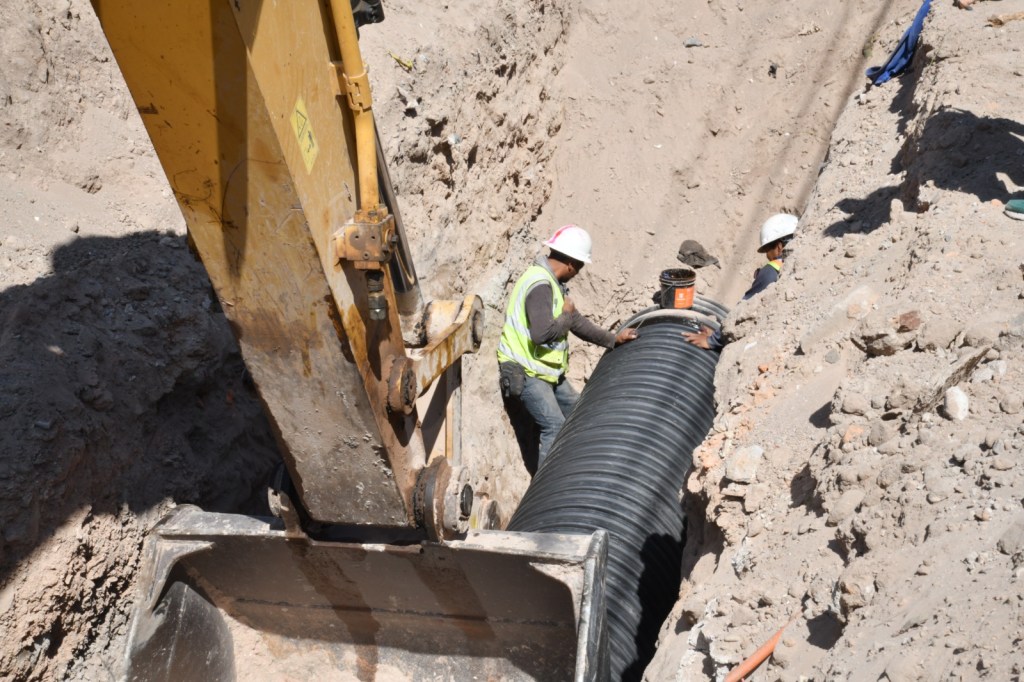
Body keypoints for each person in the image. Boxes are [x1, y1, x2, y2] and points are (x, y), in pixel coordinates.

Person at [498, 224, 638, 472]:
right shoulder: (540, 285)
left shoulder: (552, 283)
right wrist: (565, 315)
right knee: (555, 425)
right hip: (526, 371)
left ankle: (576, 469)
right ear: (572, 264)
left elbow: (576, 322)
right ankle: (544, 495)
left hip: (545, 369)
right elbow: (541, 335)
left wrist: (613, 339)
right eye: (581, 266)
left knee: (577, 412)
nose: (579, 272)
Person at [683, 213, 798, 350]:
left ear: (779, 246)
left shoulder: (771, 271)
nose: (767, 256)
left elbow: (745, 310)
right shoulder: (799, 264)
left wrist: (711, 341)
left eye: (767, 250)